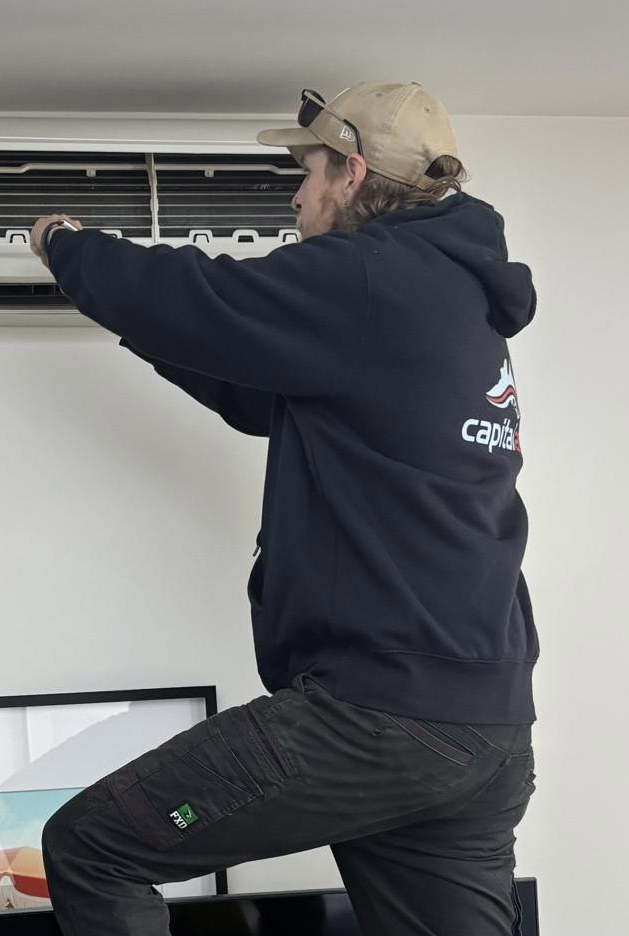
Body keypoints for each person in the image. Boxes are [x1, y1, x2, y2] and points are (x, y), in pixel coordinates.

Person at [29, 81, 540, 936]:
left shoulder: (371, 275)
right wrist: (147, 327)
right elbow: (259, 394)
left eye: (304, 173)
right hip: (483, 729)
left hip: (381, 718)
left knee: (95, 848)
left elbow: (202, 300)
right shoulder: (447, 300)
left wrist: (70, 248)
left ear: (353, 171)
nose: (296, 196)